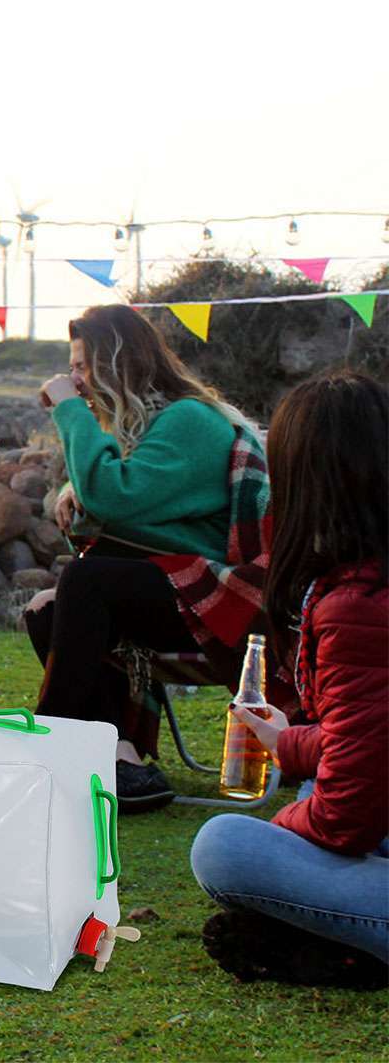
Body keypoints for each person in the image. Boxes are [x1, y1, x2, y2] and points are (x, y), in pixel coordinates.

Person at [27, 305, 270, 812]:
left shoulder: (188, 421)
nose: (75, 380)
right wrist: (80, 490)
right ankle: (121, 761)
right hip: (179, 592)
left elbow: (116, 497)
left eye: (81, 367)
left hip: (221, 601)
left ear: (117, 363)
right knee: (48, 608)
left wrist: (68, 409)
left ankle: (45, 749)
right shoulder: (151, 426)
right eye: (72, 370)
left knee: (84, 582)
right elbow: (136, 514)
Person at [190, 372, 387, 988]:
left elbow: (343, 819)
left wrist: (277, 837)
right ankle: (332, 937)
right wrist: (291, 743)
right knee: (308, 799)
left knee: (226, 847)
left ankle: (339, 936)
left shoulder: (359, 602)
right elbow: (373, 739)